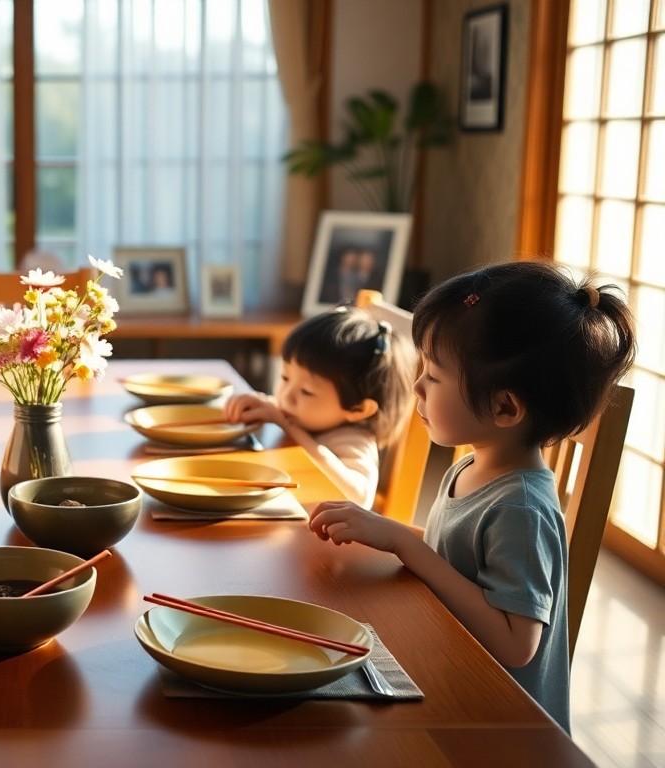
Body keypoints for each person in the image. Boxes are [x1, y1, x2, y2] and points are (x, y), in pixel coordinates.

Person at [307, 260, 636, 733]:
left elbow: (513, 643)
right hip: (452, 678)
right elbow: (459, 560)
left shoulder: (521, 507)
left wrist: (407, 545)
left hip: (499, 727)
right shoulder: (475, 464)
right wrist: (387, 531)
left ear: (505, 407)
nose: (417, 385)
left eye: (435, 377)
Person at [224, 306, 417, 506]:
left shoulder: (355, 441)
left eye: (306, 391)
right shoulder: (309, 416)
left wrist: (289, 426)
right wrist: (261, 404)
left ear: (358, 409)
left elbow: (357, 497)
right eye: (285, 377)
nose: (286, 396)